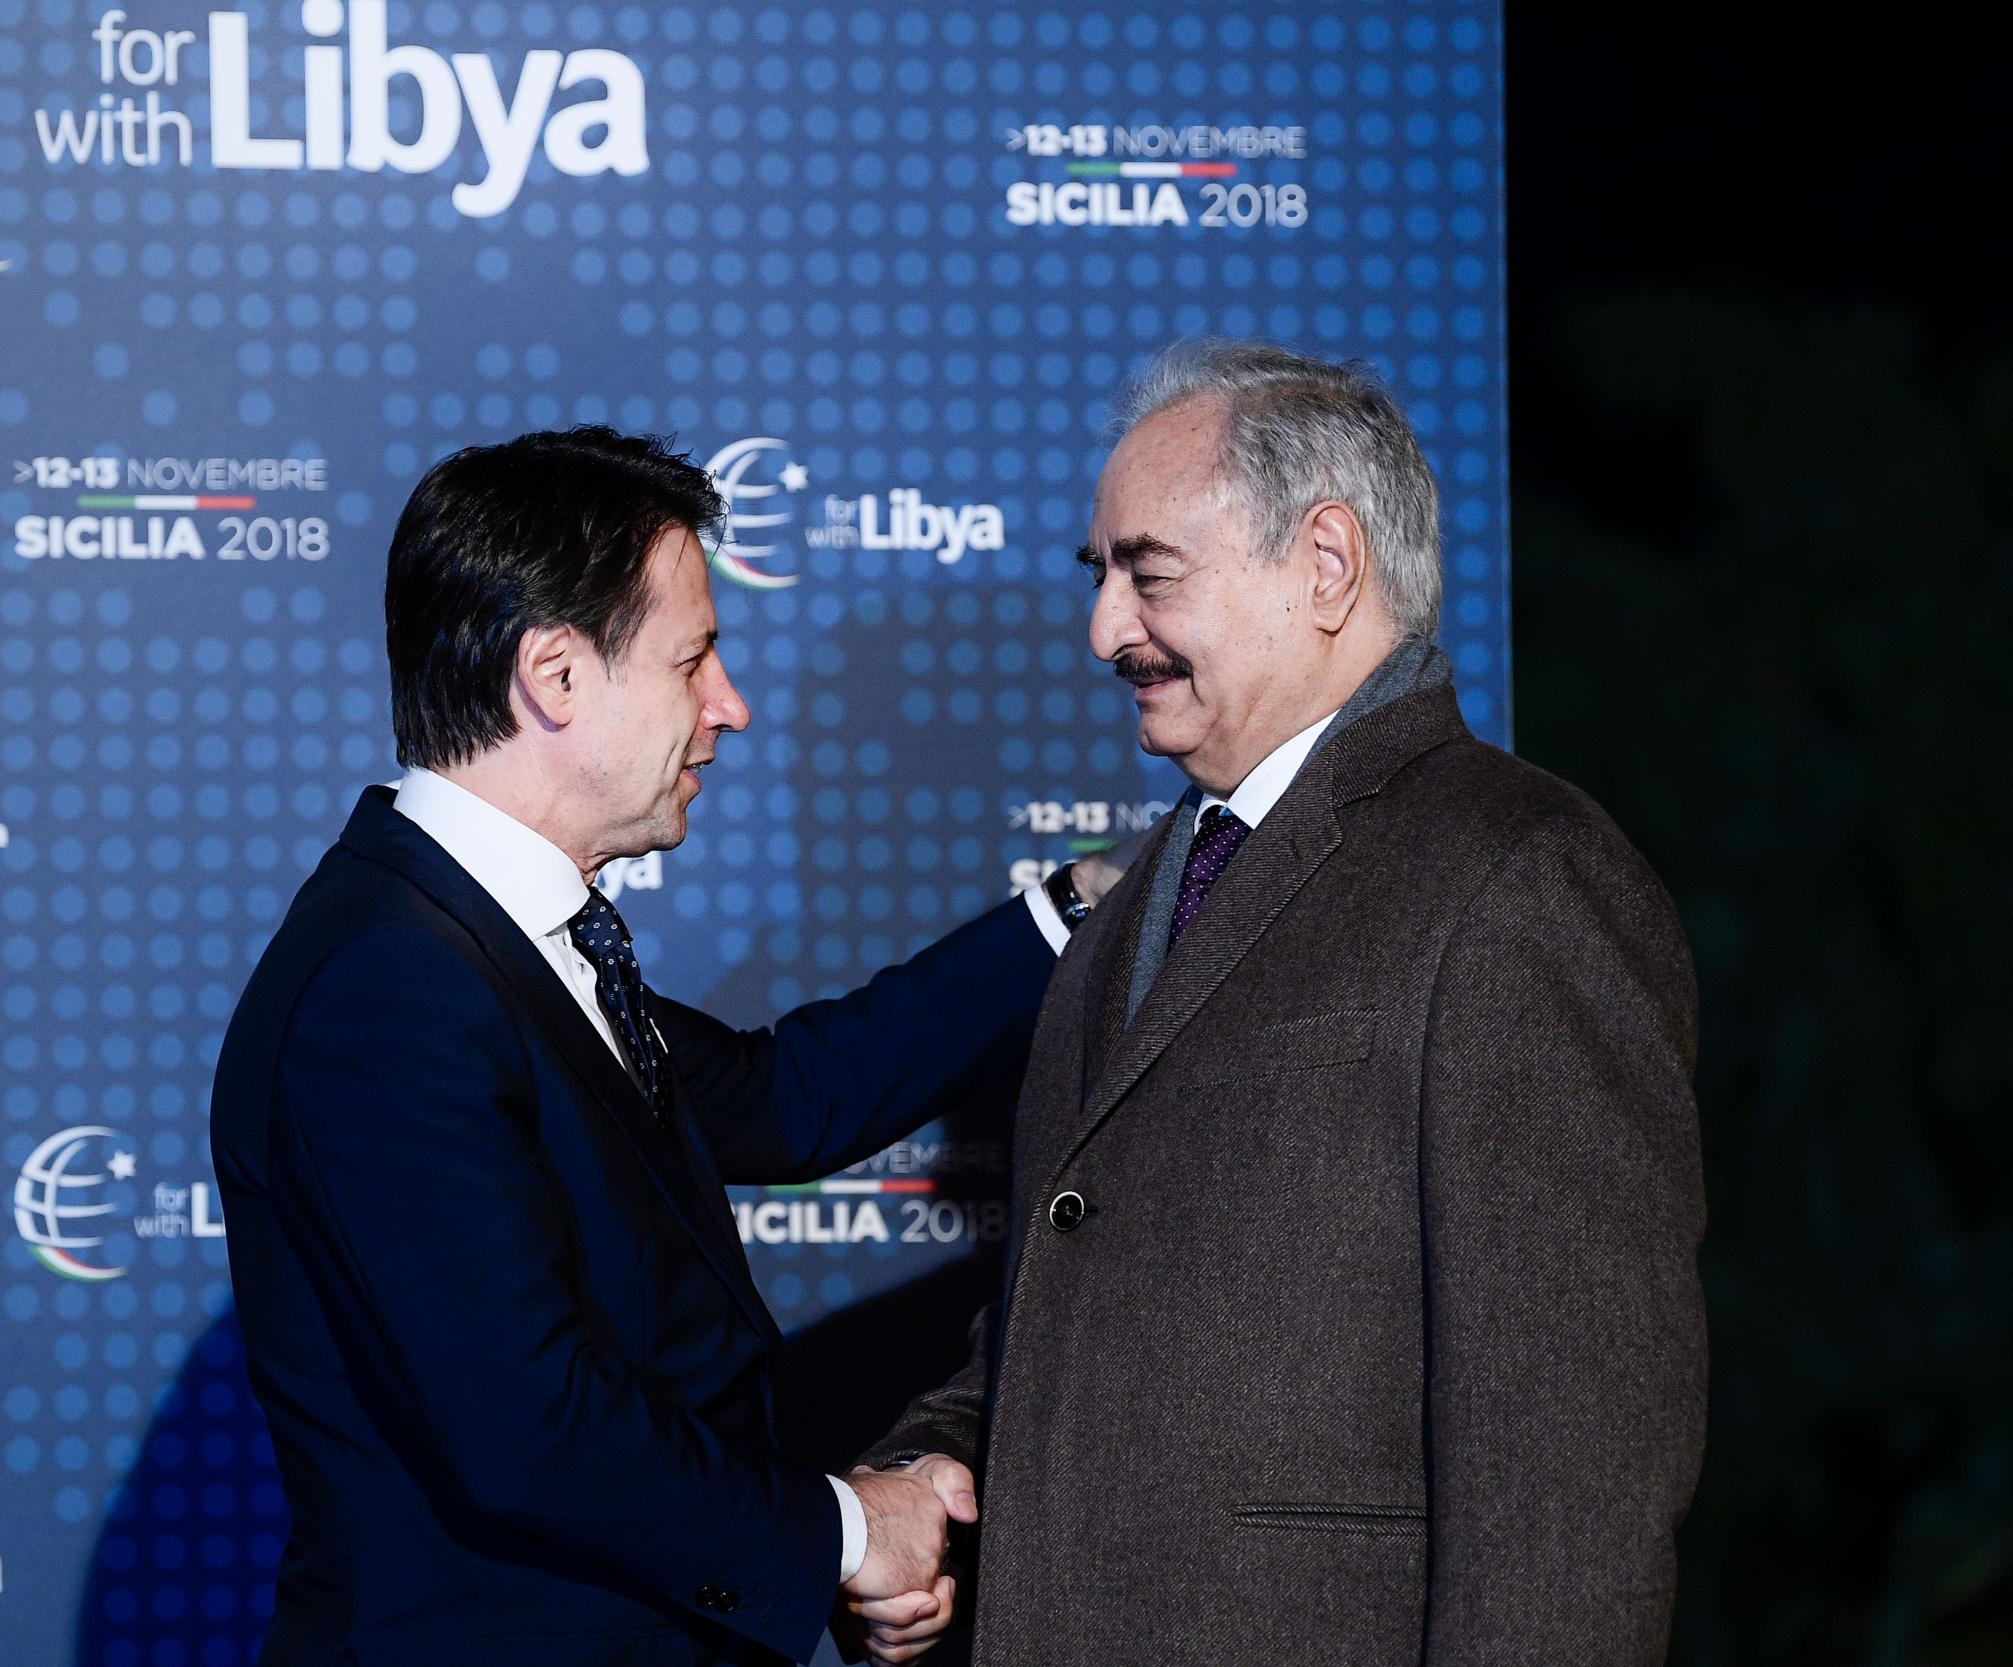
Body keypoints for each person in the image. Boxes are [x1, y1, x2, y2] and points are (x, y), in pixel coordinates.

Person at [210, 426, 1134, 1666]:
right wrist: (851, 1530)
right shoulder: (390, 989)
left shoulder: (495, 940)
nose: (729, 705)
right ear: (554, 677)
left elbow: (785, 1094)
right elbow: (531, 1425)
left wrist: (1068, 909)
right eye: (693, 658)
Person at [857, 342, 1707, 1665]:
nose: (1105, 630)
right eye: (1103, 576)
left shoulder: (1517, 872)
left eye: (1151, 571)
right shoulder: (1143, 895)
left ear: (1324, 562)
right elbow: (1090, 1303)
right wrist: (935, 1466)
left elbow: (1567, 1476)